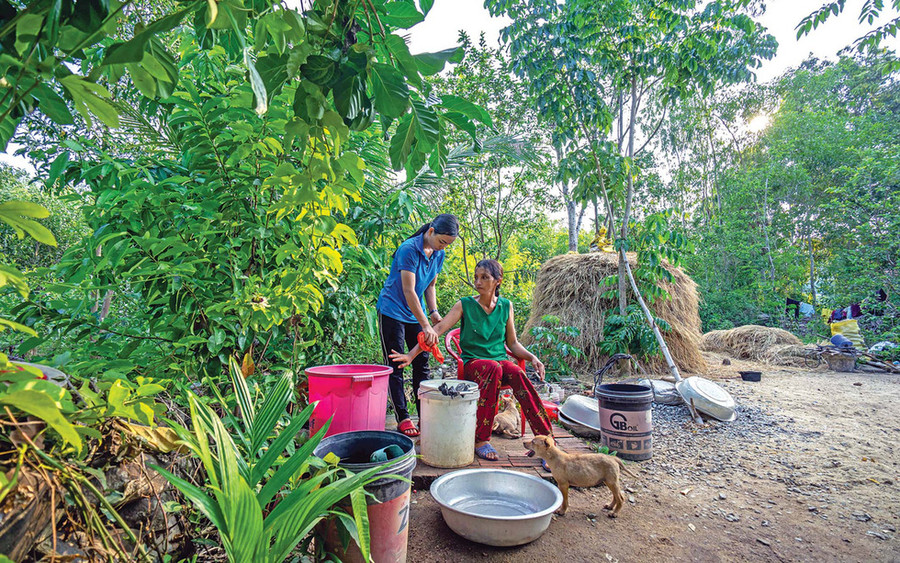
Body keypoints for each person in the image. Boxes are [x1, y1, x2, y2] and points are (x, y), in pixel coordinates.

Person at [390, 259, 552, 461]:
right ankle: (481, 440)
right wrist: (410, 355)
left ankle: (547, 442)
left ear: (498, 281)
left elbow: (512, 343)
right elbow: (438, 330)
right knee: (493, 368)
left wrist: (532, 357)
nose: (478, 282)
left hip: (498, 363)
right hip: (474, 364)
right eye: (476, 277)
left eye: (485, 277)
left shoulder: (506, 306)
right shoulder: (464, 304)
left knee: (518, 372)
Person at [377, 214, 459, 437]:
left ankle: (424, 414)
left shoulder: (438, 253)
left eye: (448, 245)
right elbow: (409, 290)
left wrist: (433, 313)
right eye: (442, 242)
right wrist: (426, 325)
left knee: (421, 362)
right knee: (396, 363)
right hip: (392, 310)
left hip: (417, 312)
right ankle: (402, 417)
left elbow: (430, 286)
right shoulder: (409, 249)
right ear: (431, 231)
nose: (444, 247)